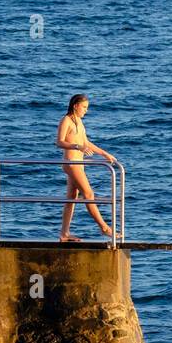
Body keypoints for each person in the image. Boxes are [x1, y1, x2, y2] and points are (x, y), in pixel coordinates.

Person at [56, 93, 118, 242]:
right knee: (89, 194)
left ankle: (64, 234)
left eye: (87, 108)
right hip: (71, 163)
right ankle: (103, 227)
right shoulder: (66, 120)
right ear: (75, 106)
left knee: (71, 198)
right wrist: (77, 146)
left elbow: (86, 142)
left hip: (79, 164)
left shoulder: (79, 121)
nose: (86, 110)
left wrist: (104, 154)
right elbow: (59, 142)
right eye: (84, 107)